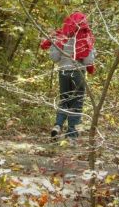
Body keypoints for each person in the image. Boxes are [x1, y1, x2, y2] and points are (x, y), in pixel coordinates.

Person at [41, 12, 96, 140]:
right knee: (77, 102)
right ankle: (71, 134)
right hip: (78, 72)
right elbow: (88, 61)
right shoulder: (85, 37)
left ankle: (58, 125)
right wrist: (93, 53)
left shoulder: (62, 36)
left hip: (63, 71)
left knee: (64, 100)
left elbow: (54, 57)